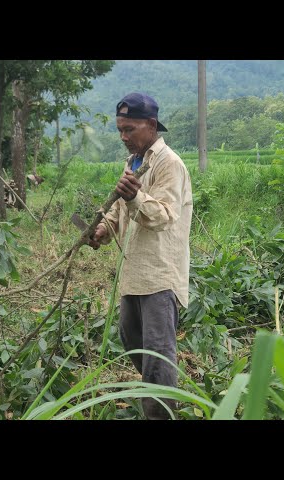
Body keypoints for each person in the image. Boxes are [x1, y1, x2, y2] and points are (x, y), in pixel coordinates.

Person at [88, 92, 193, 420]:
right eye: (120, 129)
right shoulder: (133, 162)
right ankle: (163, 393)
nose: (123, 136)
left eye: (129, 129)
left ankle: (161, 412)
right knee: (132, 341)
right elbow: (122, 211)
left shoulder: (169, 164)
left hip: (160, 275)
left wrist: (134, 196)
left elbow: (162, 216)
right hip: (134, 273)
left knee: (157, 358)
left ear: (151, 125)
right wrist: (104, 229)